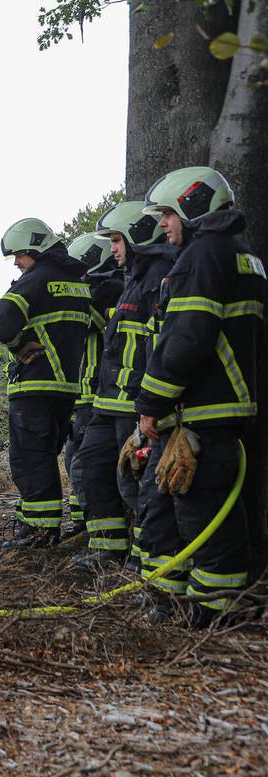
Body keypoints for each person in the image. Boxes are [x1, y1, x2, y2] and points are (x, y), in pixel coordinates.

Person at [133, 165, 265, 626]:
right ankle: (172, 599)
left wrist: (150, 404)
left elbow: (186, 339)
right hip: (219, 406)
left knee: (202, 509)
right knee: (181, 505)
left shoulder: (204, 253)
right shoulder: (239, 254)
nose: (163, 225)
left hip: (203, 409)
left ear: (192, 205)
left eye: (167, 215)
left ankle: (215, 609)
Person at [72, 201, 175, 572]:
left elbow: (161, 348)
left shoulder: (159, 277)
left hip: (136, 406)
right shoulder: (134, 278)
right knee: (90, 466)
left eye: (117, 239)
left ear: (137, 235)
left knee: (138, 482)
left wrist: (152, 404)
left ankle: (141, 554)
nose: (112, 249)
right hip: (107, 403)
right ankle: (107, 546)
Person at [0, 218, 91, 551]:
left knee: (30, 458)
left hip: (35, 384)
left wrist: (18, 345)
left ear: (35, 249)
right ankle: (38, 524)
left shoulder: (35, 280)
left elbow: (4, 317)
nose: (18, 263)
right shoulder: (77, 283)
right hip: (66, 389)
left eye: (20, 255)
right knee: (47, 456)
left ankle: (38, 532)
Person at [62, 233, 120, 540]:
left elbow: (80, 323)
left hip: (98, 396)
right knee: (76, 461)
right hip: (83, 396)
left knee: (86, 464)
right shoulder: (94, 289)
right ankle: (84, 524)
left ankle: (99, 532)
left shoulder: (109, 288)